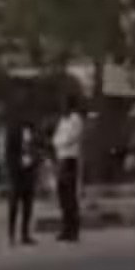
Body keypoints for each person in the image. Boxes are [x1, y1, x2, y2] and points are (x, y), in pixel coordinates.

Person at [52, 95, 84, 242]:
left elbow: (70, 138)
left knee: (70, 196)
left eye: (64, 104)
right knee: (63, 195)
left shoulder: (75, 119)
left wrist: (59, 142)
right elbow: (56, 139)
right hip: (61, 158)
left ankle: (73, 230)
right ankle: (66, 228)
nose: (62, 107)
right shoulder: (63, 120)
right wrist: (58, 142)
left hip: (70, 159)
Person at [4, 112, 38, 246]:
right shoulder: (13, 131)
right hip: (17, 173)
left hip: (29, 171)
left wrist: (34, 161)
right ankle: (11, 234)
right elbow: (9, 152)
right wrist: (14, 168)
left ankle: (25, 234)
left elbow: (36, 148)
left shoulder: (33, 131)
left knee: (28, 204)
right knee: (14, 204)